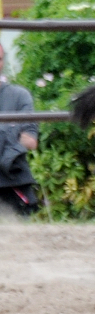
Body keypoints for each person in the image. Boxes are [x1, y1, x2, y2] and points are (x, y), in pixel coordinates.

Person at [0, 43, 39, 217]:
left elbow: (30, 141)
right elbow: (22, 138)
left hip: (12, 181)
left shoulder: (20, 95)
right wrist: (12, 131)